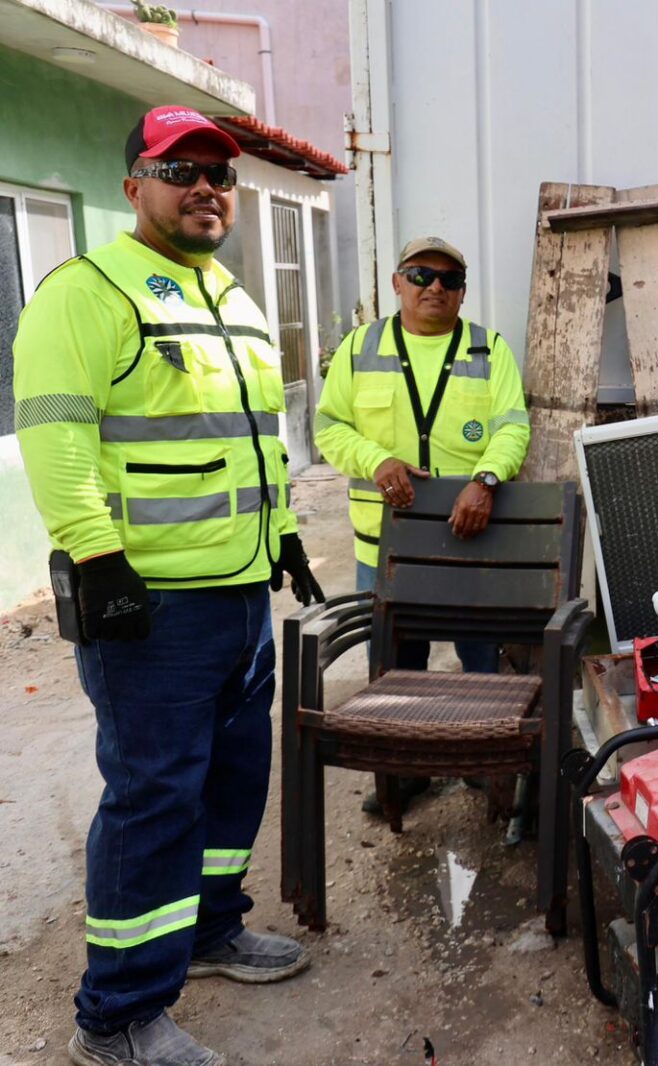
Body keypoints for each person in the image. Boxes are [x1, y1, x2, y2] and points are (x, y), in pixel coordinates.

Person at [13, 105, 324, 1066]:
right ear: (134, 185)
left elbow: (251, 446)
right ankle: (116, 1015)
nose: (206, 186)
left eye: (220, 174)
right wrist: (94, 556)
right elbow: (56, 434)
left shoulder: (230, 297)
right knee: (153, 798)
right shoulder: (85, 291)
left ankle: (209, 929)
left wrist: (283, 537)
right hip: (148, 608)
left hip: (238, 597)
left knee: (231, 782)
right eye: (181, 166)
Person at [314, 236, 529, 814]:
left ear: (462, 291)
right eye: (421, 274)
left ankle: (478, 764)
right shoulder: (360, 348)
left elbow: (513, 426)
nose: (435, 286)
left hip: (472, 535)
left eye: (450, 279)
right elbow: (329, 426)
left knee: (479, 657)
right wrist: (376, 461)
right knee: (396, 662)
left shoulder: (489, 349)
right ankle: (404, 769)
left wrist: (485, 480)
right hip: (385, 543)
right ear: (397, 282)